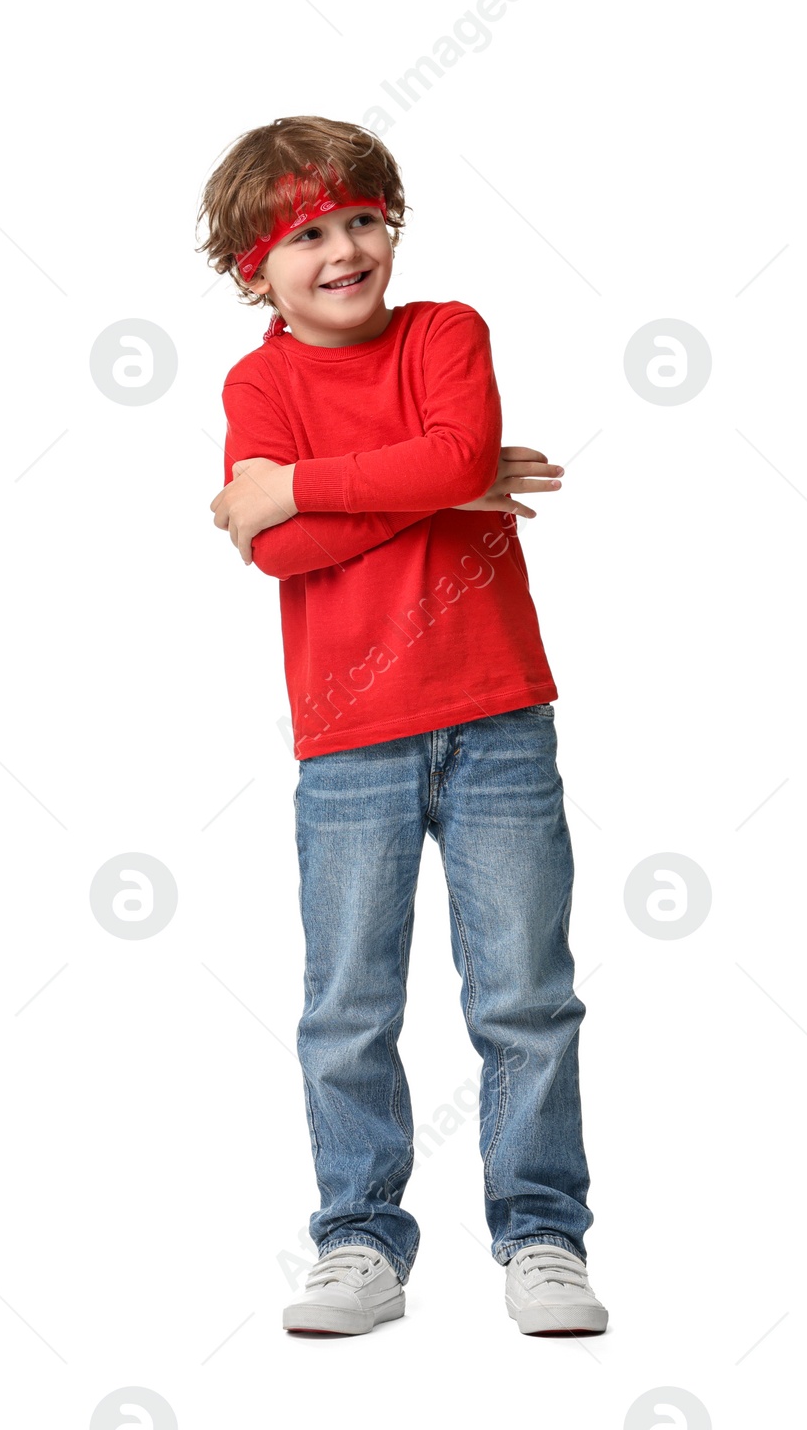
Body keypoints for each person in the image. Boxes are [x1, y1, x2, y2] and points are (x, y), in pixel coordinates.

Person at [199, 115, 605, 1339]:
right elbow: (275, 552)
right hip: (348, 739)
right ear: (251, 270)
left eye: (364, 220)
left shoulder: (444, 331)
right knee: (348, 1005)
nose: (344, 248)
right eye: (307, 233)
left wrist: (307, 481)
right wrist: (435, 483)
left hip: (496, 722)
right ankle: (359, 1238)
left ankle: (541, 1232)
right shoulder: (259, 382)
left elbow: (449, 451)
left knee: (526, 995)